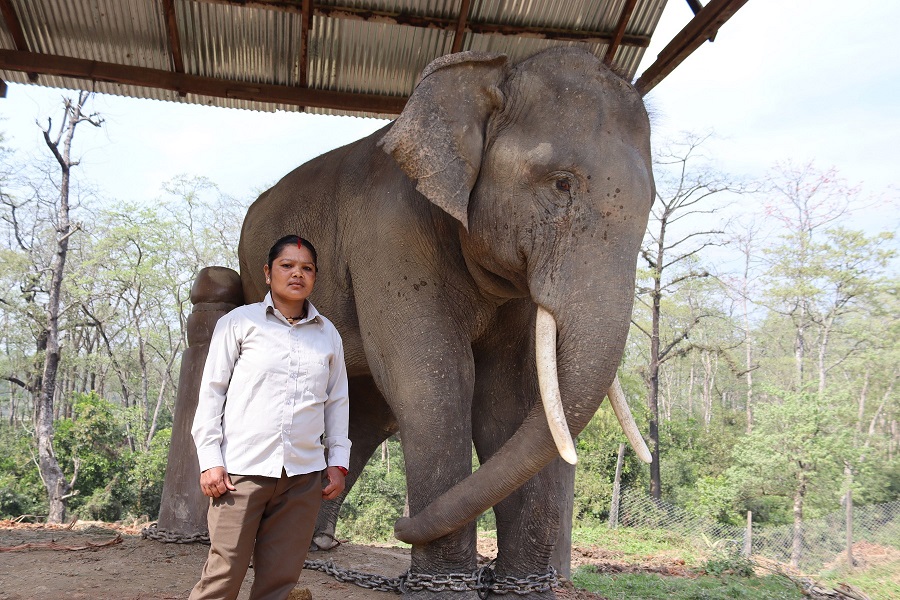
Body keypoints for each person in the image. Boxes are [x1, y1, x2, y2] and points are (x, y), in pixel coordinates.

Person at [189, 234, 350, 600]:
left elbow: (337, 403)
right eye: (287, 266)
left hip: (302, 478)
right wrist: (211, 462)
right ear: (267, 272)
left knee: (279, 583)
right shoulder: (238, 323)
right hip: (240, 474)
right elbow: (211, 395)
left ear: (314, 276)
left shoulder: (328, 335)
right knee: (222, 576)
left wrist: (337, 462)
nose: (297, 274)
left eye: (306, 268)